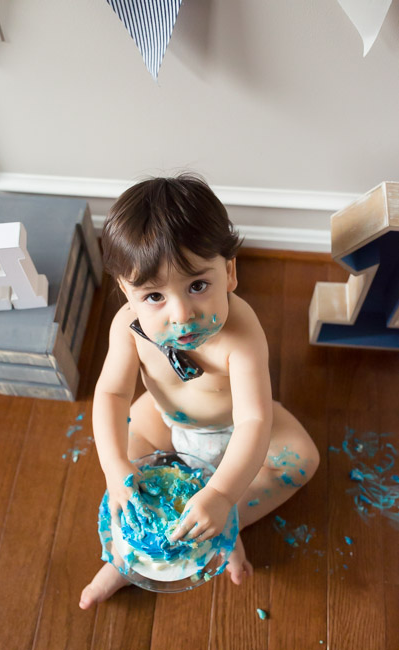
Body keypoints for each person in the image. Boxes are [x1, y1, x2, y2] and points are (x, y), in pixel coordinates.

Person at [79, 174, 320, 609]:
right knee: (131, 468)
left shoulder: (241, 334)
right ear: (126, 294)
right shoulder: (127, 330)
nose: (182, 315)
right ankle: (128, 558)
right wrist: (115, 466)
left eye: (197, 286)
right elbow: (112, 395)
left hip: (234, 426)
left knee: (300, 461)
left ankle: (223, 527)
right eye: (153, 296)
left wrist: (223, 494)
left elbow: (254, 420)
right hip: (167, 420)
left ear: (229, 272)